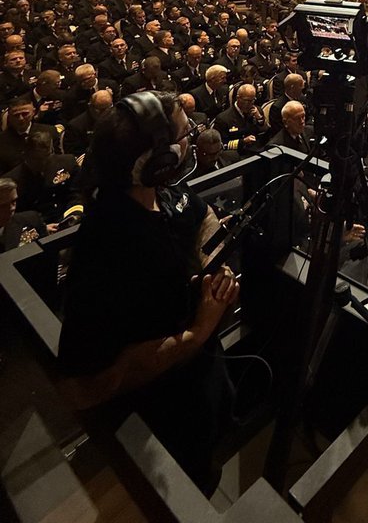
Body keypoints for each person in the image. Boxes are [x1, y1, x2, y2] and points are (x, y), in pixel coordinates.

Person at [56, 92, 239, 491]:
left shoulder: (165, 196)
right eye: (184, 134)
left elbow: (203, 219)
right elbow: (83, 386)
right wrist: (199, 331)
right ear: (158, 160)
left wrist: (219, 267)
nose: (191, 138)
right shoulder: (106, 247)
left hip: (201, 385)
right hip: (163, 416)